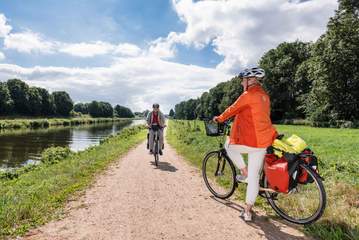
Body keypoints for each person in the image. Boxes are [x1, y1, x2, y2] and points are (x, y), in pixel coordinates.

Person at [213, 67, 277, 222]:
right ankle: (247, 210)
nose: (242, 82)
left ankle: (244, 171)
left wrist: (219, 119)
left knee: (229, 146)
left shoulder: (248, 95)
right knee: (255, 177)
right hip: (264, 140)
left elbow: (232, 109)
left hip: (253, 140)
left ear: (250, 80)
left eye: (243, 80)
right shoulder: (264, 96)